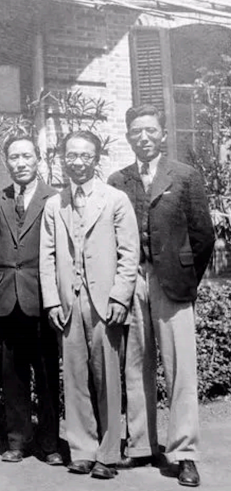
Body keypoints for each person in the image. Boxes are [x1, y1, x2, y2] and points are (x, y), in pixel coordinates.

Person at [108, 104, 214, 487]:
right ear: (128, 137)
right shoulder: (117, 180)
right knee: (136, 364)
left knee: (180, 369)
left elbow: (203, 236)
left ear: (163, 134)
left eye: (151, 130)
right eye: (137, 131)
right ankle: (141, 444)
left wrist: (186, 278)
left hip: (173, 283)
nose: (144, 137)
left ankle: (184, 453)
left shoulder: (185, 176)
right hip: (133, 279)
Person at [39, 130, 139, 480]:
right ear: (62, 158)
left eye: (85, 156)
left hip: (105, 302)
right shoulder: (55, 204)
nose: (78, 162)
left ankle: (108, 453)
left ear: (96, 159)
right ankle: (82, 450)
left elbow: (129, 253)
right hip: (70, 302)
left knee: (107, 377)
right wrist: (52, 300)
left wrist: (120, 296)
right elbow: (47, 257)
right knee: (75, 377)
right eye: (71, 155)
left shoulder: (115, 199)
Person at [0, 135, 62, 466]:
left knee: (46, 374)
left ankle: (49, 443)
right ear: (7, 162)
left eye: (26, 156)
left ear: (38, 159)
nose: (20, 163)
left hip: (42, 298)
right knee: (13, 373)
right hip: (9, 298)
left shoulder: (55, 199)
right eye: (14, 157)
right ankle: (17, 440)